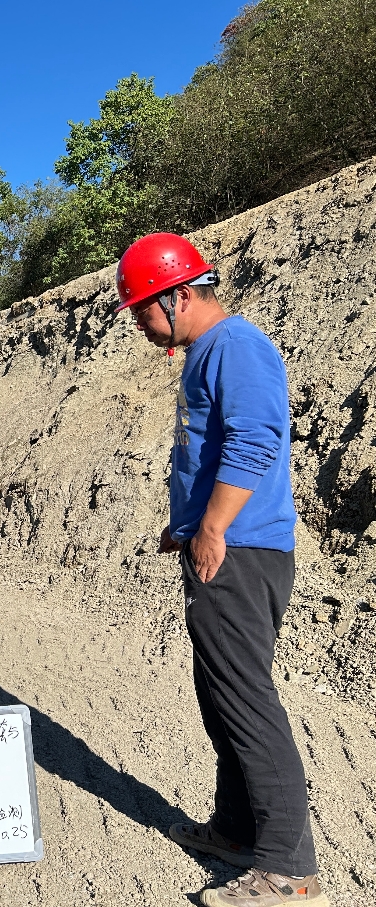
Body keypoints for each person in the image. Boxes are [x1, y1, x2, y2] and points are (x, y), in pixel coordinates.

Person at [115, 233, 327, 907]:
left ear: (179, 294)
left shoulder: (237, 346)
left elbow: (258, 435)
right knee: (221, 697)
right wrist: (186, 526)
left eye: (144, 310)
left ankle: (290, 870)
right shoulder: (207, 352)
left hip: (242, 550)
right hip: (222, 544)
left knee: (247, 701)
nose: (142, 325)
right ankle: (237, 830)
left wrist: (212, 526)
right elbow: (211, 453)